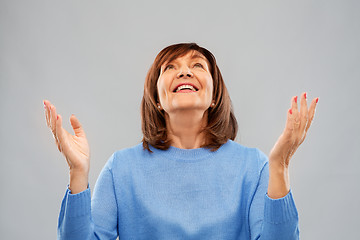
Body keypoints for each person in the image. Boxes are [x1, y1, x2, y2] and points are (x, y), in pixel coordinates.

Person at [44, 43, 319, 240]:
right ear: (157, 99)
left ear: (214, 97)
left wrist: (280, 165)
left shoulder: (254, 166)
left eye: (197, 65)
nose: (184, 72)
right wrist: (78, 174)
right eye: (171, 67)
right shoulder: (121, 168)